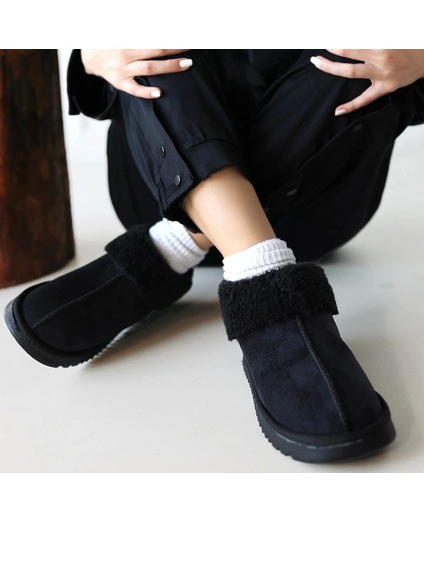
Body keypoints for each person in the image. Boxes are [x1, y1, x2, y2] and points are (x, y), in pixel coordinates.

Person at [5, 49, 424, 463]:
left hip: (315, 208)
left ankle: (170, 249)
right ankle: (261, 275)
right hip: (155, 187)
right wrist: (93, 54)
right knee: (149, 37)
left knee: (363, 42)